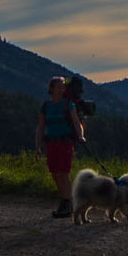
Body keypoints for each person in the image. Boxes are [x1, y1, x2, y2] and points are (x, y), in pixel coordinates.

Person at [36, 75, 86, 218]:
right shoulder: (45, 106)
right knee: (54, 173)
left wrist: (81, 135)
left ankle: (67, 203)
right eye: (59, 86)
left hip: (65, 142)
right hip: (51, 143)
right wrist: (38, 146)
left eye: (63, 86)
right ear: (51, 89)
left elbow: (77, 123)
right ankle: (66, 201)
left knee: (63, 173)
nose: (62, 89)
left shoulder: (68, 105)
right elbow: (40, 127)